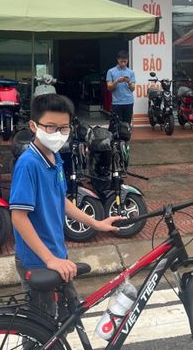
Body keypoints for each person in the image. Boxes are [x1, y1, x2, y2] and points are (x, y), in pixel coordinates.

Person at [10, 92, 120, 316]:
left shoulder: (55, 158)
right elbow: (18, 217)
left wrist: (96, 224)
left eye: (64, 128)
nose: (58, 134)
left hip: (56, 253)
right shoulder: (28, 164)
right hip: (38, 260)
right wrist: (49, 259)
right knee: (42, 327)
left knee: (69, 316)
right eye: (51, 127)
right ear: (33, 126)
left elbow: (61, 201)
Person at [106, 50, 136, 125]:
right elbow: (109, 88)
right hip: (116, 102)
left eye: (125, 62)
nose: (123, 63)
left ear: (127, 60)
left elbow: (133, 89)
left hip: (128, 102)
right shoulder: (111, 71)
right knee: (116, 125)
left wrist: (129, 82)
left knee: (127, 125)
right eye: (121, 61)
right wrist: (116, 81)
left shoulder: (131, 72)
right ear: (117, 60)